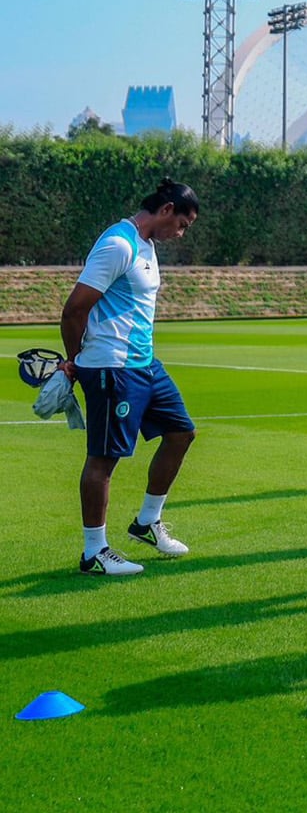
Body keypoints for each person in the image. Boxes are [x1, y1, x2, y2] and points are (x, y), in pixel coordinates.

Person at [60, 179, 201, 576]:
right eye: (183, 225)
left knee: (181, 433)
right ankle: (94, 553)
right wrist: (75, 360)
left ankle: (146, 523)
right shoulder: (118, 244)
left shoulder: (147, 246)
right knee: (103, 460)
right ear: (167, 209)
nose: (181, 234)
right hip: (112, 367)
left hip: (145, 364)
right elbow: (74, 310)